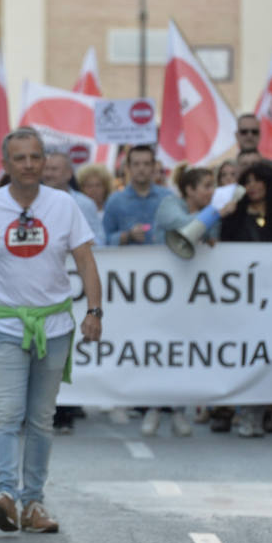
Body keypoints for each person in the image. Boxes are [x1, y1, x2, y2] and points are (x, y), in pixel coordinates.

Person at [0, 128, 102, 534]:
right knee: (7, 412)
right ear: (5, 163)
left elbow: (86, 260)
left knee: (40, 418)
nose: (30, 164)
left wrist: (94, 310)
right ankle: (5, 495)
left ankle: (33, 503)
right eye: (20, 158)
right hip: (3, 324)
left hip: (54, 325)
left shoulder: (64, 205)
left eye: (36, 157)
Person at [152, 166, 241, 437]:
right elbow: (184, 226)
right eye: (205, 185)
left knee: (181, 346)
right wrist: (215, 212)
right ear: (189, 189)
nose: (210, 191)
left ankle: (178, 411)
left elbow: (210, 239)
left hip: (190, 291)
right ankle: (154, 408)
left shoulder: (213, 212)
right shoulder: (169, 204)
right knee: (159, 347)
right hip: (161, 289)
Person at [216, 161, 272, 436]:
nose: (251, 187)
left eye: (257, 181)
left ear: (269, 184)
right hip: (243, 297)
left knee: (270, 354)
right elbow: (223, 250)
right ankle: (246, 413)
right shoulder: (234, 216)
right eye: (247, 181)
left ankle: (264, 410)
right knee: (247, 355)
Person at [101, 144, 174, 426]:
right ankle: (129, 394)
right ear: (128, 168)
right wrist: (124, 237)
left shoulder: (168, 198)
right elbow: (102, 239)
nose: (142, 169)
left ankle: (161, 400)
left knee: (160, 340)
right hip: (128, 287)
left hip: (163, 284)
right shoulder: (116, 202)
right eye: (137, 164)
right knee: (129, 338)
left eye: (147, 163)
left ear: (155, 167)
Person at [43, 152, 104, 242]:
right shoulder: (33, 201)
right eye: (46, 169)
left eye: (54, 169)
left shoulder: (84, 204)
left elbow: (100, 240)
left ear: (69, 173)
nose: (48, 174)